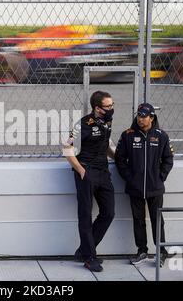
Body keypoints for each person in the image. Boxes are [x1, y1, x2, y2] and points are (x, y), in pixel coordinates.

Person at [114, 103, 174, 267]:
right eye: (139, 115)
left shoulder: (161, 136)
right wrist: (129, 178)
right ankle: (142, 251)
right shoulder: (128, 135)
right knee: (138, 219)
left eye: (144, 116)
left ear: (152, 117)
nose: (140, 119)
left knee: (157, 220)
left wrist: (160, 177)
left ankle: (161, 252)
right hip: (135, 187)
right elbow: (119, 159)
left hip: (155, 188)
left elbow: (168, 159)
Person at [63, 91, 116, 272]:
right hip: (87, 172)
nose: (112, 109)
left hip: (103, 172)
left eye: (112, 105)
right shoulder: (83, 124)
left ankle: (85, 249)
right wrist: (81, 170)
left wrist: (119, 158)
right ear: (97, 108)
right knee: (85, 215)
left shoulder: (107, 122)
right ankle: (89, 257)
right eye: (108, 106)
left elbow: (107, 144)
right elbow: (67, 149)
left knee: (109, 213)